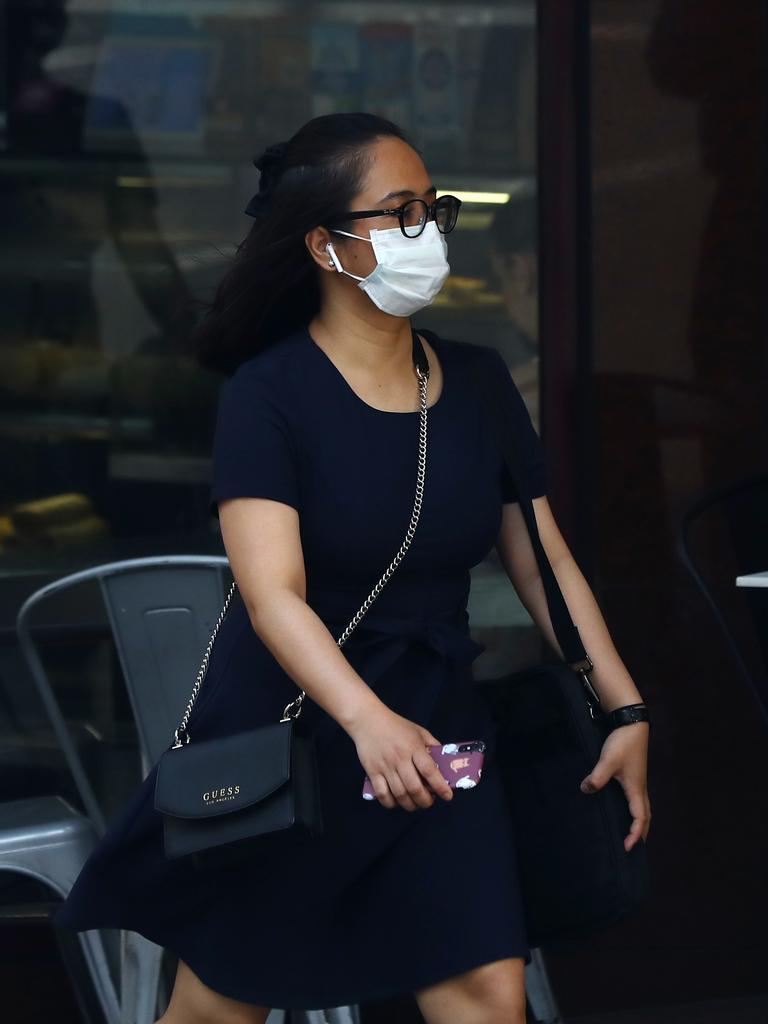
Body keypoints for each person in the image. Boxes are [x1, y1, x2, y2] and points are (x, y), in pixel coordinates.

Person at [53, 112, 651, 1024]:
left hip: (438, 733)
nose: (428, 232)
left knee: (485, 991)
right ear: (327, 247)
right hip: (295, 733)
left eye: (433, 209)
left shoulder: (478, 382)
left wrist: (625, 707)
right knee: (222, 1005)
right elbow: (271, 594)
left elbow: (547, 563)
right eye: (400, 211)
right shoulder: (271, 392)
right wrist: (366, 721)